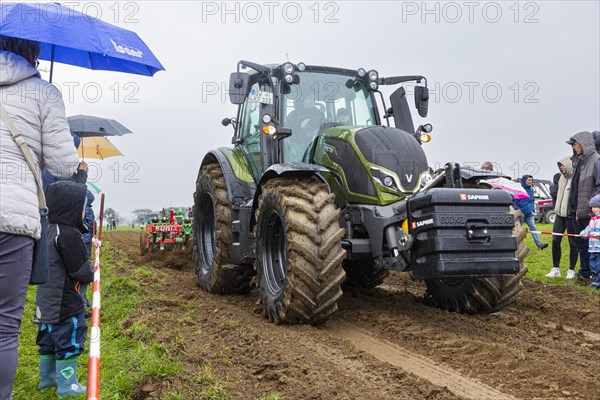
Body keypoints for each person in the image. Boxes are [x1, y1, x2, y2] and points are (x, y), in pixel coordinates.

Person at [0, 36, 81, 399]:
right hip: (11, 218)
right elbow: (64, 166)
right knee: (4, 327)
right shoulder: (43, 92)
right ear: (33, 51)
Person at [35, 181, 93, 396]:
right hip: (65, 302)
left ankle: (47, 380)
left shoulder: (47, 229)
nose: (83, 212)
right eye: (82, 207)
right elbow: (80, 270)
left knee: (48, 340)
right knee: (70, 340)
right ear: (71, 207)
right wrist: (92, 271)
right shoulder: (68, 234)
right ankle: (68, 386)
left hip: (45, 301)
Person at [566, 131, 600, 284]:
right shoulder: (579, 162)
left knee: (592, 247)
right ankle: (585, 274)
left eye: (575, 144)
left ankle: (593, 276)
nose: (573, 147)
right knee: (580, 245)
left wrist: (593, 205)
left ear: (584, 143)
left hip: (590, 213)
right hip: (576, 210)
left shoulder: (597, 161)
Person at [545, 158, 578, 278]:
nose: (561, 168)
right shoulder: (561, 179)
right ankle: (556, 269)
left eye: (563, 166)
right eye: (560, 166)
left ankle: (571, 270)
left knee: (573, 243)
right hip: (559, 214)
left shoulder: (576, 178)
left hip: (570, 215)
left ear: (569, 165)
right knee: (555, 240)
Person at [513, 175, 548, 250]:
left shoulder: (531, 189)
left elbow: (532, 200)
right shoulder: (518, 189)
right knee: (519, 230)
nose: (530, 182)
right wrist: (519, 211)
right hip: (521, 214)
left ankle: (539, 244)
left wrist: (532, 209)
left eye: (531, 180)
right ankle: (517, 245)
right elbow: (514, 202)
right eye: (529, 180)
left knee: (533, 227)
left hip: (529, 213)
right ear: (524, 180)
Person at [578, 194, 600, 289]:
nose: (593, 209)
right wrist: (584, 232)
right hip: (592, 247)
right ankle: (595, 281)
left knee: (598, 264)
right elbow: (589, 228)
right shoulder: (593, 219)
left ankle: (598, 281)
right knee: (593, 264)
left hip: (599, 247)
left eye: (595, 207)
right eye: (592, 207)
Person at [80, 190, 95, 316]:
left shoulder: (82, 208)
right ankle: (82, 305)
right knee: (83, 271)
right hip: (84, 244)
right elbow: (91, 229)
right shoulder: (87, 210)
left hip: (80, 242)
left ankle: (83, 301)